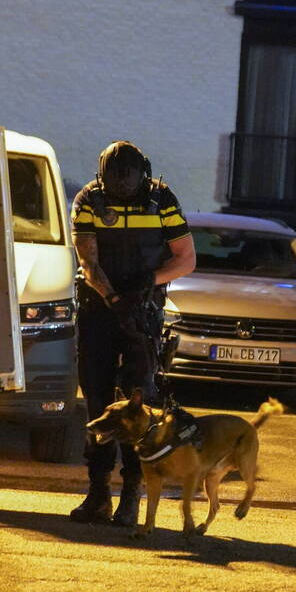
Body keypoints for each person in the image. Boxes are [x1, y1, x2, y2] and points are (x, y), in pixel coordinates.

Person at [69, 141, 196, 526]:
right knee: (97, 400)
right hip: (98, 311)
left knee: (139, 403)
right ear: (102, 178)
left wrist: (146, 284)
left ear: (143, 176)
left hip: (143, 312)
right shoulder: (89, 200)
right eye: (114, 182)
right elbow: (88, 263)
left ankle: (130, 497)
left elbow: (186, 259)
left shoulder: (162, 200)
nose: (122, 187)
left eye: (128, 181)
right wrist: (113, 299)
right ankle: (97, 495)